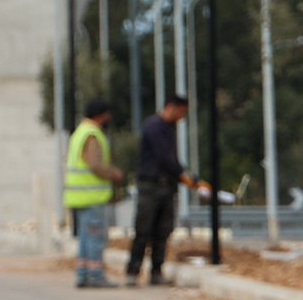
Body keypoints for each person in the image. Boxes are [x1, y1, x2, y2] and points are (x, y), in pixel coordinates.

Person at [126, 95, 211, 287]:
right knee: (143, 230)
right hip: (151, 186)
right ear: (171, 107)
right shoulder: (155, 127)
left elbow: (172, 161)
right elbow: (166, 158)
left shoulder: (167, 129)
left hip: (166, 187)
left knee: (162, 232)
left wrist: (188, 178)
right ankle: (133, 271)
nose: (182, 117)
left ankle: (156, 271)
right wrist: (189, 178)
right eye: (181, 112)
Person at [66, 98, 125, 288]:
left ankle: (83, 274)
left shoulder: (79, 132)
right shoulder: (92, 134)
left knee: (85, 237)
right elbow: (95, 164)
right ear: (100, 115)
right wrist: (113, 174)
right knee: (95, 237)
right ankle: (95, 275)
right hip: (92, 197)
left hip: (79, 196)